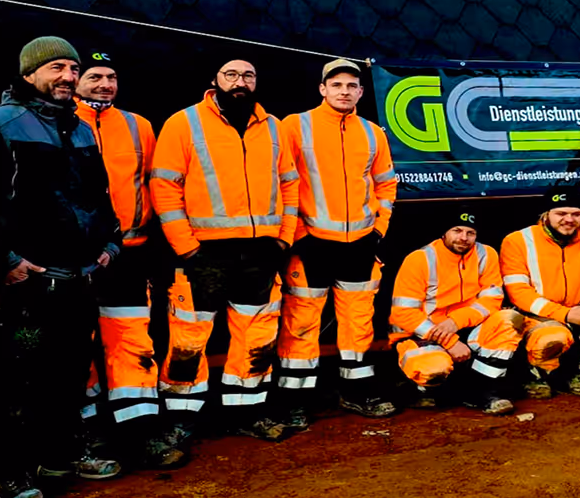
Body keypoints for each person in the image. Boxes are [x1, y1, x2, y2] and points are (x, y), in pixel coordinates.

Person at [0, 37, 124, 498]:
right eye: (56, 67)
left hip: (77, 278)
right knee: (11, 380)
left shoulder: (81, 129)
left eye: (73, 68)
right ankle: (4, 473)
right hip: (24, 282)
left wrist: (111, 243)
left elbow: (99, 196)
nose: (68, 76)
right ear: (29, 73)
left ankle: (57, 457)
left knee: (67, 373)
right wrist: (3, 260)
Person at [150, 57, 299, 441]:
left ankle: (247, 412)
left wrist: (283, 238)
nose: (240, 82)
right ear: (214, 81)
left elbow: (290, 185)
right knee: (189, 338)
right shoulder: (184, 123)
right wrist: (187, 249)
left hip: (261, 252)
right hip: (203, 253)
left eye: (248, 75)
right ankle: (181, 419)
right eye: (231, 75)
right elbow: (164, 187)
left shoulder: (274, 128)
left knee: (257, 336)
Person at [74, 51, 185, 469]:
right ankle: (89, 434)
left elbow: (155, 184)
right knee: (78, 345)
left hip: (131, 255)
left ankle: (140, 429)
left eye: (112, 77)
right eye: (95, 76)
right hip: (76, 260)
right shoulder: (56, 122)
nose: (104, 84)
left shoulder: (139, 126)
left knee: (132, 341)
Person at [278, 58, 399, 419]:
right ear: (322, 89)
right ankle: (294, 402)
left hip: (360, 243)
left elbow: (386, 183)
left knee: (358, 323)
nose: (344, 92)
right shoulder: (294, 126)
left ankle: (357, 393)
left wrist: (379, 228)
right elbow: (281, 182)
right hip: (310, 243)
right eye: (337, 85)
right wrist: (297, 235)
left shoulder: (372, 132)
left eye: (351, 86)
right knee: (301, 323)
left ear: (361, 92)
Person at [498, 187, 580, 397]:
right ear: (545, 216)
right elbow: (518, 292)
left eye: (576, 214)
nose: (569, 219)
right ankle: (537, 376)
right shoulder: (517, 240)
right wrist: (564, 314)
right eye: (561, 213)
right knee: (553, 337)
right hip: (538, 315)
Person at [387, 211, 518, 413]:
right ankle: (422, 391)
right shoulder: (420, 258)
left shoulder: (486, 254)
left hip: (466, 326)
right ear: (444, 233)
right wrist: (449, 340)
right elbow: (403, 313)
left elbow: (492, 300)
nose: (463, 238)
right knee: (434, 370)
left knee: (509, 319)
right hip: (423, 335)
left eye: (470, 232)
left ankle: (484, 391)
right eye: (456, 231)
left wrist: (455, 322)